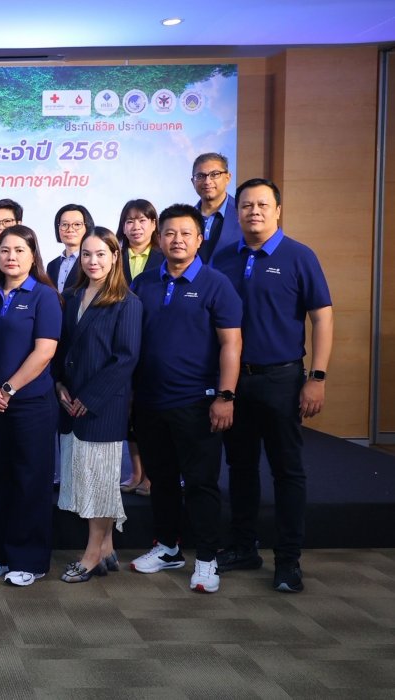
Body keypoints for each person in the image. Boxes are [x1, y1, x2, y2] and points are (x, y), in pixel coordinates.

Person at [212, 179, 333, 593]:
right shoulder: (224, 257)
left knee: (287, 472)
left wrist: (316, 377)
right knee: (241, 468)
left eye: (263, 204)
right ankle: (244, 547)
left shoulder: (299, 256)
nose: (254, 212)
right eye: (246, 206)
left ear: (278, 210)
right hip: (235, 383)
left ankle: (288, 561)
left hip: (282, 378)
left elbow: (323, 318)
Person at [129, 204, 242, 594]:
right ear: (159, 239)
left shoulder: (216, 283)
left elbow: (231, 344)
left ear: (200, 239)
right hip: (149, 401)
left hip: (198, 401)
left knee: (200, 482)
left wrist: (225, 395)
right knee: (160, 480)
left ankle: (207, 559)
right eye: (170, 233)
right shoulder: (144, 283)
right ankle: (168, 547)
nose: (177, 240)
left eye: (186, 233)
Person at [53, 229, 142, 582]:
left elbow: (125, 358)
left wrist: (87, 400)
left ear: (115, 256)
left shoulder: (127, 301)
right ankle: (105, 549)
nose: (93, 261)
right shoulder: (72, 296)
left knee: (101, 482)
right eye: (87, 255)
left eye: (101, 254)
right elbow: (63, 348)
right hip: (68, 401)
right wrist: (58, 384)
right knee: (84, 479)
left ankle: (91, 555)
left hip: (102, 407)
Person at [0, 225, 63, 586]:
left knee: (30, 480)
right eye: (5, 251)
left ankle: (29, 559)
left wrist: (8, 388)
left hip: (30, 404)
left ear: (32, 256)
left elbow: (45, 351)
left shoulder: (44, 296)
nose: (11, 257)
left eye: (19, 250)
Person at [116, 199, 162, 496]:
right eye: (130, 221)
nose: (136, 226)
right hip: (119, 344)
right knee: (127, 413)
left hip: (151, 344)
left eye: (143, 220)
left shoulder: (163, 257)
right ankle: (135, 473)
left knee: (148, 412)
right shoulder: (112, 256)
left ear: (154, 225)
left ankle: (152, 476)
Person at [191, 153, 243, 264]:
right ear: (193, 182)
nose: (207, 182)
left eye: (214, 174)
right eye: (200, 176)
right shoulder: (186, 217)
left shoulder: (243, 214)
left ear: (228, 178)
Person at [47, 204, 94, 293]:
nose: (70, 229)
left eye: (77, 224)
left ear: (87, 227)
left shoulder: (93, 261)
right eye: (64, 224)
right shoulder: (51, 266)